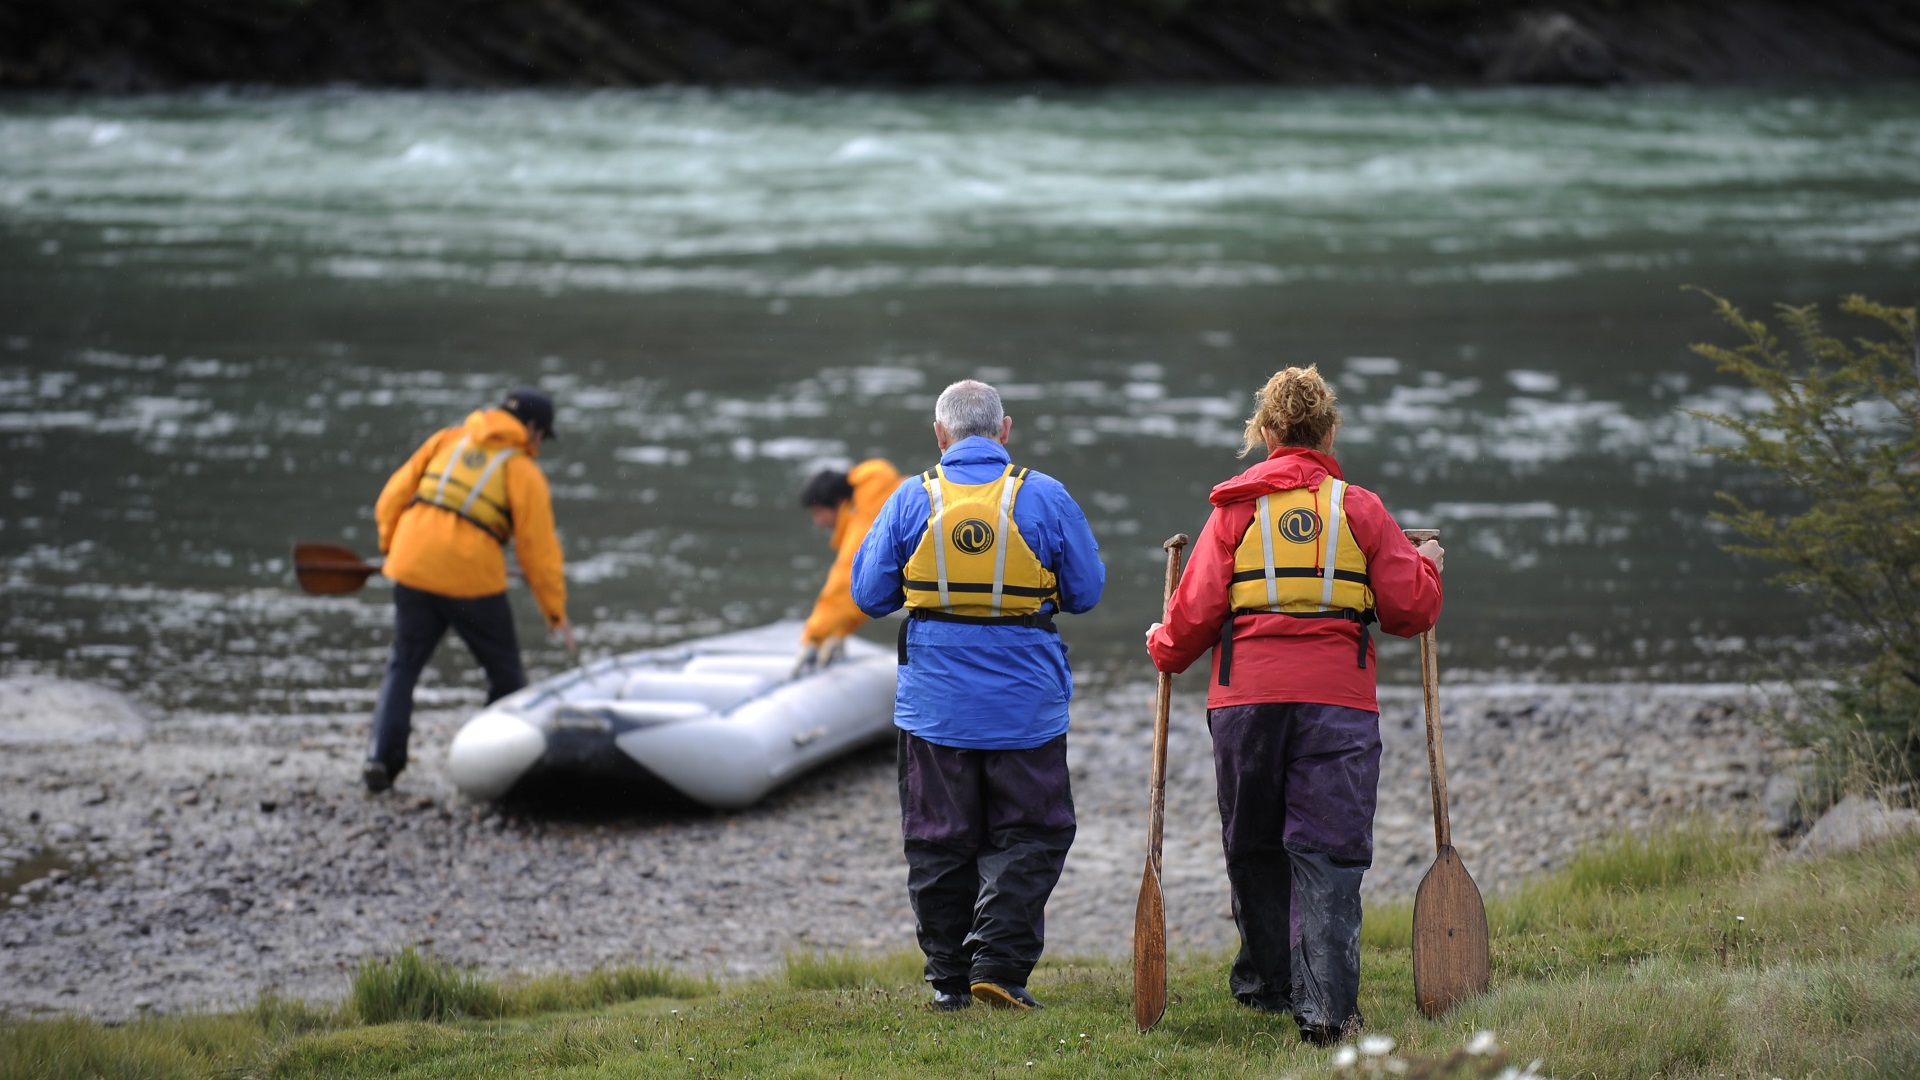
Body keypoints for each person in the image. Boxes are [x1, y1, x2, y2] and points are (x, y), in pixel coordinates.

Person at [1145, 365, 1443, 1044]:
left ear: (1268, 433)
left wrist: (1160, 644)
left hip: (1247, 702)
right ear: (1329, 431)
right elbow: (1410, 610)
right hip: (1338, 703)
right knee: (1328, 851)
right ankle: (1327, 1010)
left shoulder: (1233, 512)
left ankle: (1266, 987)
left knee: (1253, 844)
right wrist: (1428, 563)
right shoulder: (1359, 509)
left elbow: (1188, 623)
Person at [851, 379, 1105, 1012]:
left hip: (934, 712)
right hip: (1026, 709)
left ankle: (948, 980)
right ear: (1004, 430)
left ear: (939, 436)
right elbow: (1086, 591)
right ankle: (999, 963)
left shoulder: (911, 499)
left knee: (939, 839)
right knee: (1033, 835)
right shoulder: (1044, 496)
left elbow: (869, 595)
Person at [363, 387, 573, 793]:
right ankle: (497, 766)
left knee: (403, 664)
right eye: (542, 436)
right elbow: (538, 550)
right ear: (530, 428)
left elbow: (391, 498)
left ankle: (381, 761)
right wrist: (555, 612)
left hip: (411, 566)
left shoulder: (447, 439)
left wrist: (393, 548)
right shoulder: (521, 470)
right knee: (506, 675)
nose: (539, 446)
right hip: (470, 580)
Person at [794, 459, 902, 674]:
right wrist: (840, 630)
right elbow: (872, 587)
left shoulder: (865, 516)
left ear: (836, 502)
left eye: (817, 512)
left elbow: (847, 583)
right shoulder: (873, 498)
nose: (818, 522)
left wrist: (814, 638)